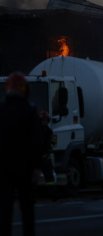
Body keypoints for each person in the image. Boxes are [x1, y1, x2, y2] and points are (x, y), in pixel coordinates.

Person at [0, 72, 43, 236]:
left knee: (4, 210)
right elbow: (37, 141)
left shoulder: (1, 110)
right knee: (27, 210)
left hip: (3, 168)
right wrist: (37, 167)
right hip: (25, 168)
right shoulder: (30, 111)